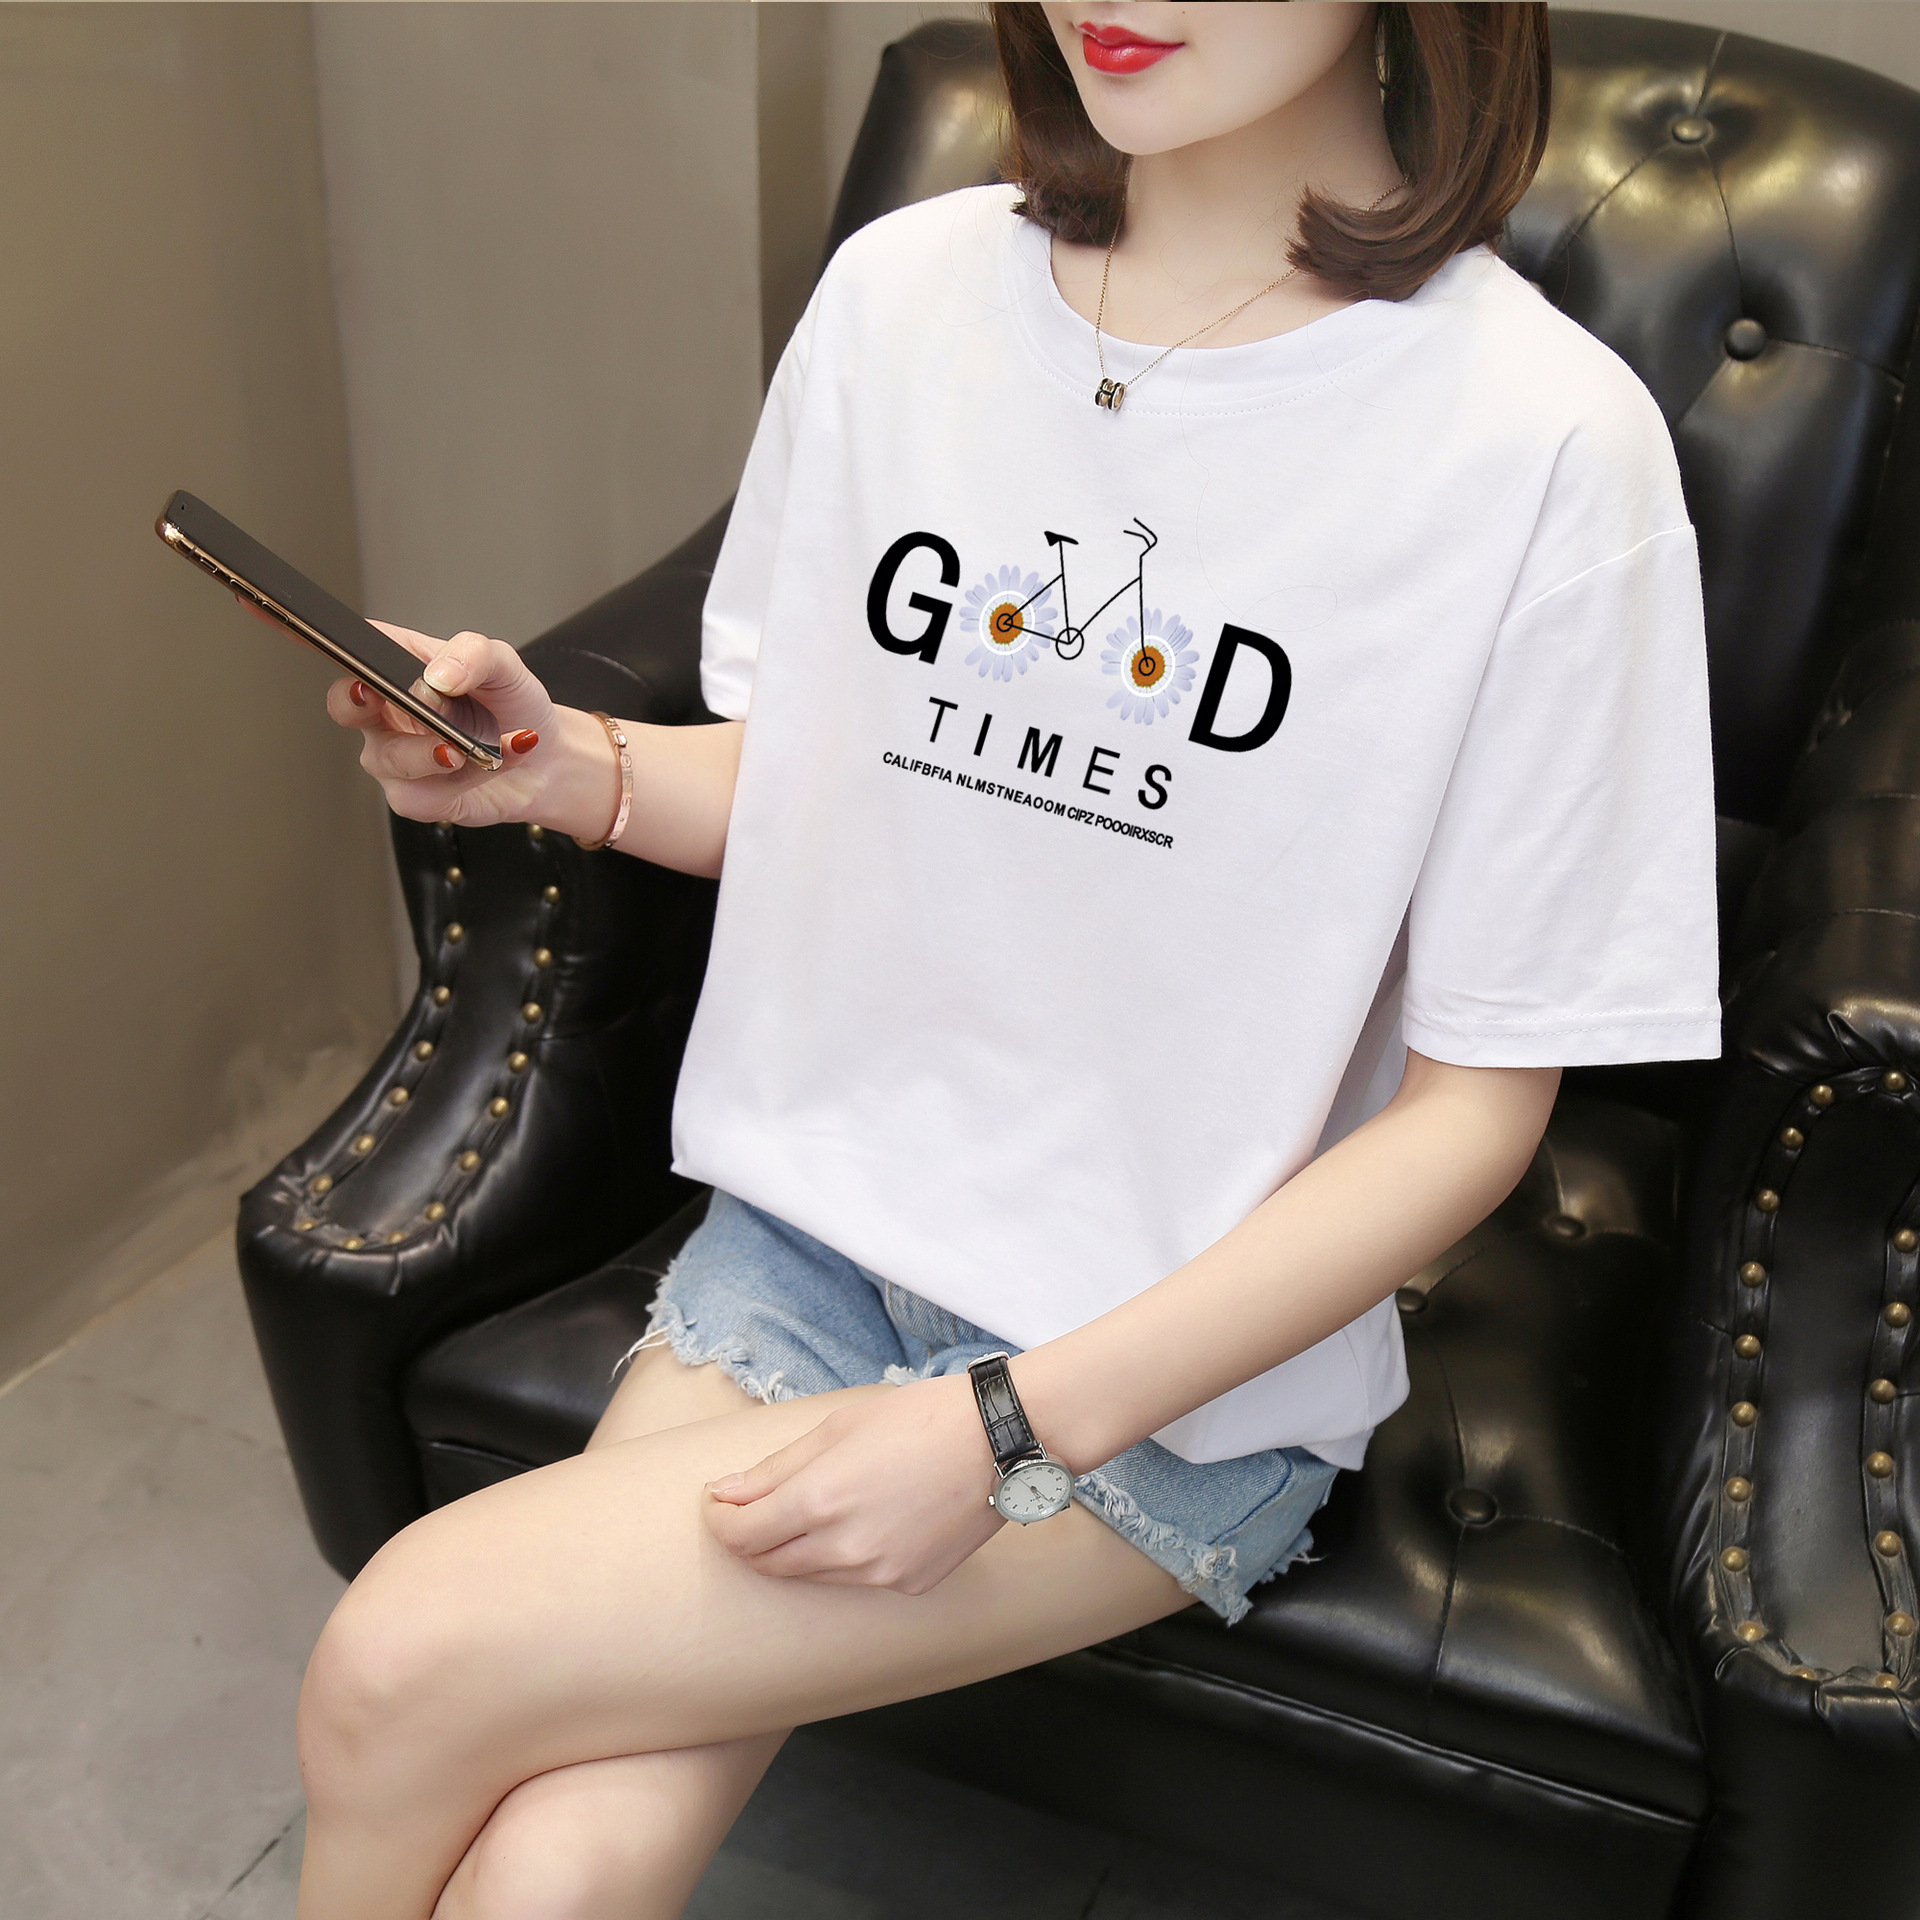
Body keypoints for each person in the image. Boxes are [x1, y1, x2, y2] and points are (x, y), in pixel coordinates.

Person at [291, 6, 1719, 1915]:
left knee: (399, 1659)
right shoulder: (903, 298)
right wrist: (576, 768)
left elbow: (1475, 1118)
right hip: (810, 1251)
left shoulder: (1542, 441)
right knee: (566, 1868)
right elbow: (825, 782)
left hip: (1168, 1373)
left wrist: (1004, 1427)